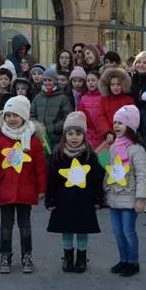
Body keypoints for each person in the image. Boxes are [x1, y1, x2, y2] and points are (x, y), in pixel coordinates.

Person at [0, 96, 47, 274]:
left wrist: (42, 188)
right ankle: (5, 255)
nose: (11, 119)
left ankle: (26, 256)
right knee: (5, 226)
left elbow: (40, 168)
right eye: (8, 115)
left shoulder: (34, 141)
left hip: (26, 190)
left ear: (24, 117)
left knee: (25, 226)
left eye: (15, 115)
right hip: (4, 190)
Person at [46, 111, 104, 273]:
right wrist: (50, 200)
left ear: (84, 136)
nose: (74, 137)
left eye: (78, 133)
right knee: (67, 228)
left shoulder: (90, 156)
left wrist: (98, 199)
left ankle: (81, 257)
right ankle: (68, 256)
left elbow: (96, 179)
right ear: (65, 135)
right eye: (70, 133)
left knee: (82, 228)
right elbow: (51, 180)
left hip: (83, 200)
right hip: (63, 200)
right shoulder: (57, 155)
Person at [105, 105, 146, 278]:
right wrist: (105, 191)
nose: (116, 126)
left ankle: (133, 262)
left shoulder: (136, 149)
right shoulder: (113, 147)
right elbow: (109, 170)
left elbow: (142, 175)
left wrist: (140, 199)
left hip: (130, 196)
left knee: (128, 231)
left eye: (121, 123)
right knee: (117, 231)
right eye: (115, 122)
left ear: (130, 126)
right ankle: (123, 259)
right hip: (114, 194)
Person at [30, 68, 73, 150]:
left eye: (49, 80)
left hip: (56, 139)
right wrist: (37, 127)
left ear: (55, 81)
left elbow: (67, 118)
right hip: (39, 137)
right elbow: (31, 115)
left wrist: (53, 127)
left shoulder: (63, 98)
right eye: (45, 80)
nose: (47, 83)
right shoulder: (37, 98)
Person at [96, 67, 135, 146]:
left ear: (123, 85)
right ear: (108, 86)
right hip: (109, 138)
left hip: (126, 138)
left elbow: (132, 118)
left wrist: (126, 133)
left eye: (118, 84)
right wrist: (107, 132)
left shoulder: (129, 100)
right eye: (112, 84)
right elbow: (100, 117)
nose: (115, 87)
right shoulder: (104, 100)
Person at [78, 69, 104, 148]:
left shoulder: (103, 97)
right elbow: (80, 117)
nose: (90, 83)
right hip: (88, 135)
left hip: (102, 134)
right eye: (88, 81)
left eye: (93, 80)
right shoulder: (83, 98)